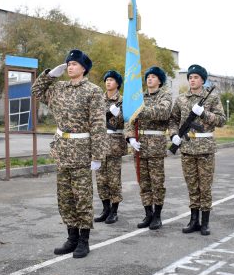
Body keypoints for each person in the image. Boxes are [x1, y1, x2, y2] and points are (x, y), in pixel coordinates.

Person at [31, 49, 107, 258]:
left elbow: (98, 125)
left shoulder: (93, 91)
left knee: (82, 197)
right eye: (69, 64)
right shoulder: (59, 88)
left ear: (84, 68)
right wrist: (49, 75)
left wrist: (98, 155)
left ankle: (84, 240)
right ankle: (71, 238)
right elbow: (36, 91)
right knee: (65, 198)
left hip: (82, 151)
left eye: (74, 64)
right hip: (62, 151)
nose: (70, 67)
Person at [168, 64, 225, 236]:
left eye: (196, 77)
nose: (192, 80)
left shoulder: (212, 98)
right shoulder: (181, 99)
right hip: (187, 148)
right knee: (192, 186)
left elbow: (222, 120)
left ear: (202, 80)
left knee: (205, 187)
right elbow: (173, 120)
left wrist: (204, 113)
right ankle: (194, 220)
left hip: (205, 149)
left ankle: (205, 223)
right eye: (190, 77)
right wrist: (173, 135)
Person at [125, 66, 172, 230]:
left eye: (153, 77)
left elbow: (163, 112)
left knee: (157, 182)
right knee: (143, 182)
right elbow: (129, 119)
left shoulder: (164, 96)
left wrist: (140, 110)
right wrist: (130, 137)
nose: (149, 79)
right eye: (148, 76)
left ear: (160, 80)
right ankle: (148, 214)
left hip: (155, 146)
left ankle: (157, 215)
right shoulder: (138, 97)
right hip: (139, 145)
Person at [94, 70, 126, 224]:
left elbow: (128, 121)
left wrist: (118, 115)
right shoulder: (98, 99)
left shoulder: (123, 101)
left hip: (114, 144)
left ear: (117, 83)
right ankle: (105, 209)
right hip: (99, 144)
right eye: (107, 79)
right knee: (101, 179)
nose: (108, 82)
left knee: (113, 179)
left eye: (112, 80)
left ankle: (114, 211)